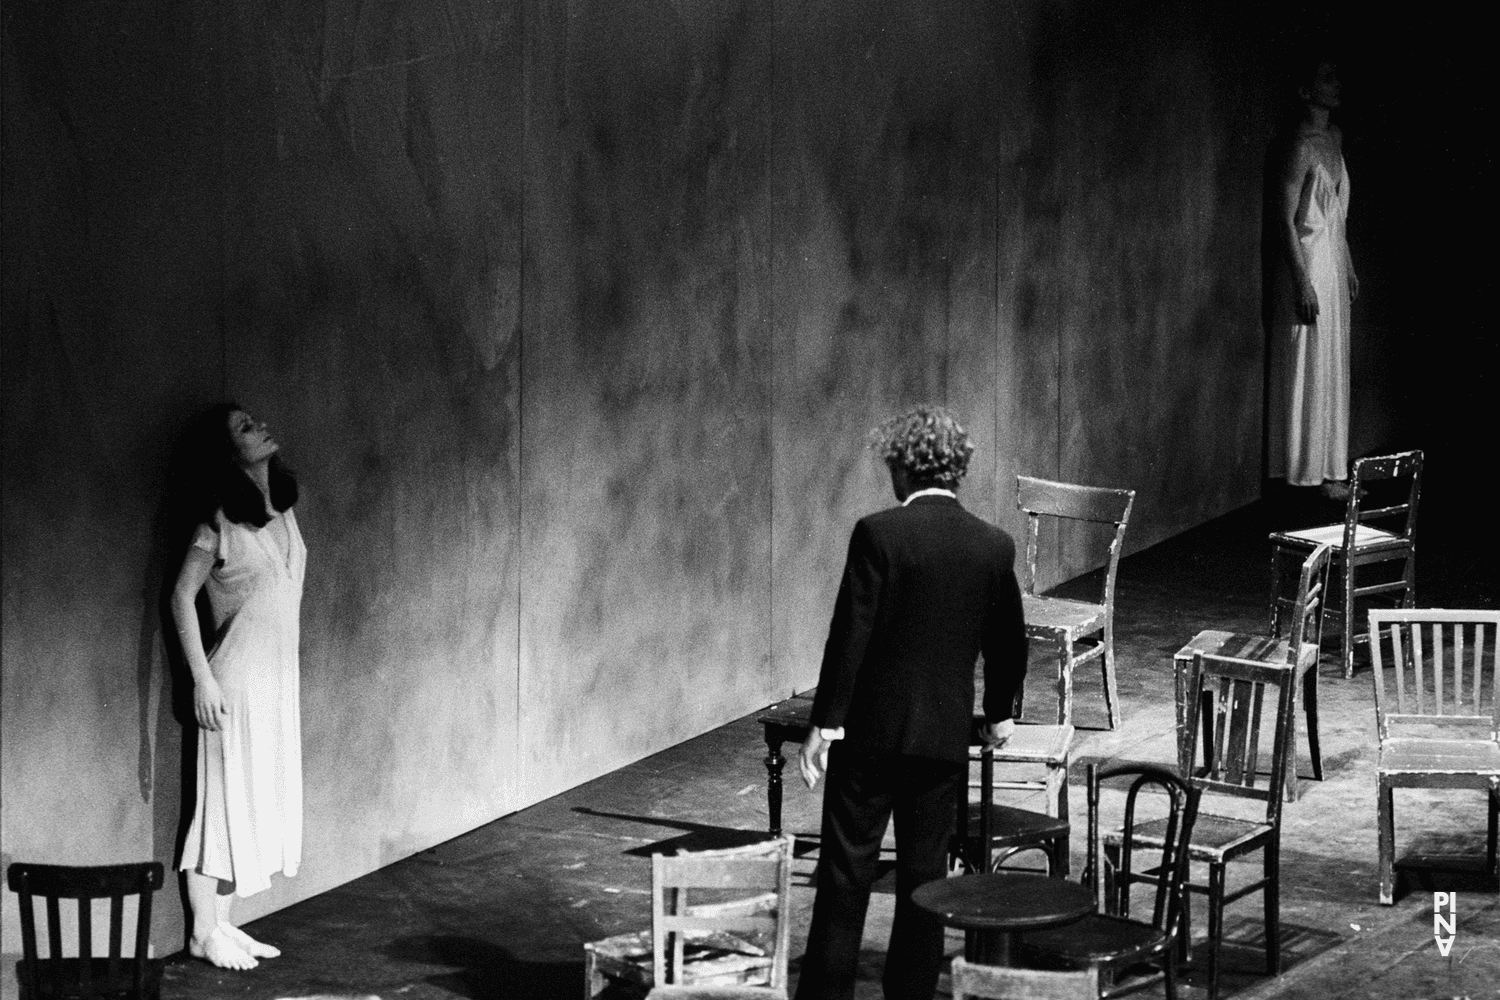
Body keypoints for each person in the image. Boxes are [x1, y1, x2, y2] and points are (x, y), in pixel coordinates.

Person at [794, 405, 1028, 1000]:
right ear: (957, 472)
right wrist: (1000, 714)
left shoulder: (878, 534)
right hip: (941, 741)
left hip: (869, 740)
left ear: (901, 470)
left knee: (846, 877)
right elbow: (1009, 643)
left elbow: (850, 633)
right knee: (926, 884)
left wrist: (826, 724)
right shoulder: (992, 546)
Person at [171, 404, 306, 970]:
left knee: (252, 805)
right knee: (222, 807)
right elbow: (181, 596)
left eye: (257, 420)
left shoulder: (282, 511)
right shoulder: (216, 522)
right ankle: (203, 932)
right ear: (229, 453)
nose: (262, 427)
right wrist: (202, 678)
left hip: (277, 682)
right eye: (245, 427)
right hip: (236, 684)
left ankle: (224, 924)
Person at [1265, 57, 1359, 500]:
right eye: (1326, 77)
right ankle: (1305, 470)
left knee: (1332, 361)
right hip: (1308, 264)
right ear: (1305, 91)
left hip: (1333, 263)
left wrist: (1348, 261)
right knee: (1310, 360)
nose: (1336, 84)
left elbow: (1337, 212)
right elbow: (1284, 218)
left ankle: (1331, 466)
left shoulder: (1335, 139)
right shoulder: (1298, 144)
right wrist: (1301, 279)